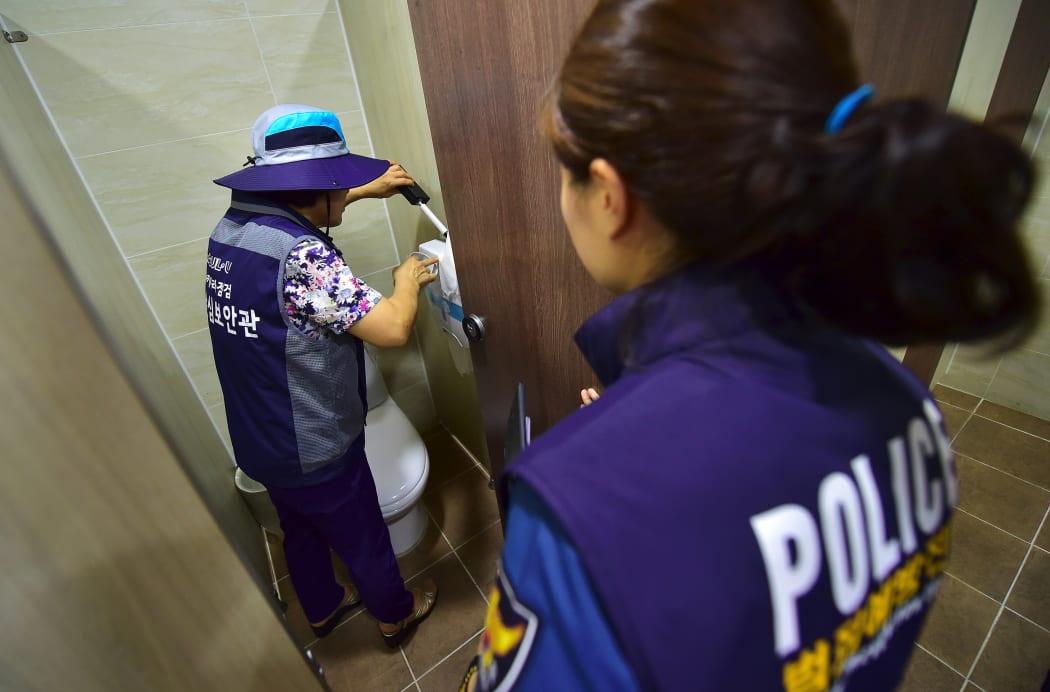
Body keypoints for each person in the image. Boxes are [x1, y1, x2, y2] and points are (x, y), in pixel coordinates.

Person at [463, 1, 1039, 690]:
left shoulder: (573, 517)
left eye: (565, 170)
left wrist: (616, 455)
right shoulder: (911, 410)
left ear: (612, 196)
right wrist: (643, 423)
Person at [206, 104, 439, 646]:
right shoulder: (305, 256)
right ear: (315, 187)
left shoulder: (232, 229)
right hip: (314, 438)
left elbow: (293, 221)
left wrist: (356, 192)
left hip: (259, 432)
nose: (344, 193)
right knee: (362, 535)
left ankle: (322, 606)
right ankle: (395, 612)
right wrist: (405, 281)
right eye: (338, 185)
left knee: (300, 528)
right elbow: (391, 330)